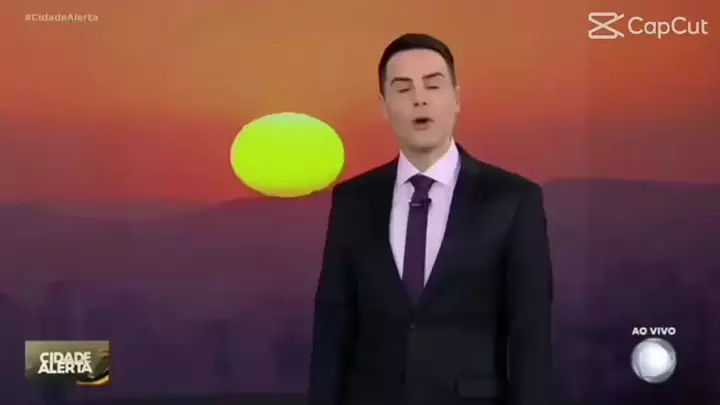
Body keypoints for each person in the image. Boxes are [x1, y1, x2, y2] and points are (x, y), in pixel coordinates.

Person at [308, 33, 553, 405]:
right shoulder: (353, 200)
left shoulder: (513, 199)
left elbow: (529, 334)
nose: (419, 99)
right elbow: (333, 326)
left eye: (433, 85)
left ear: (456, 98)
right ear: (384, 105)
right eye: (403, 88)